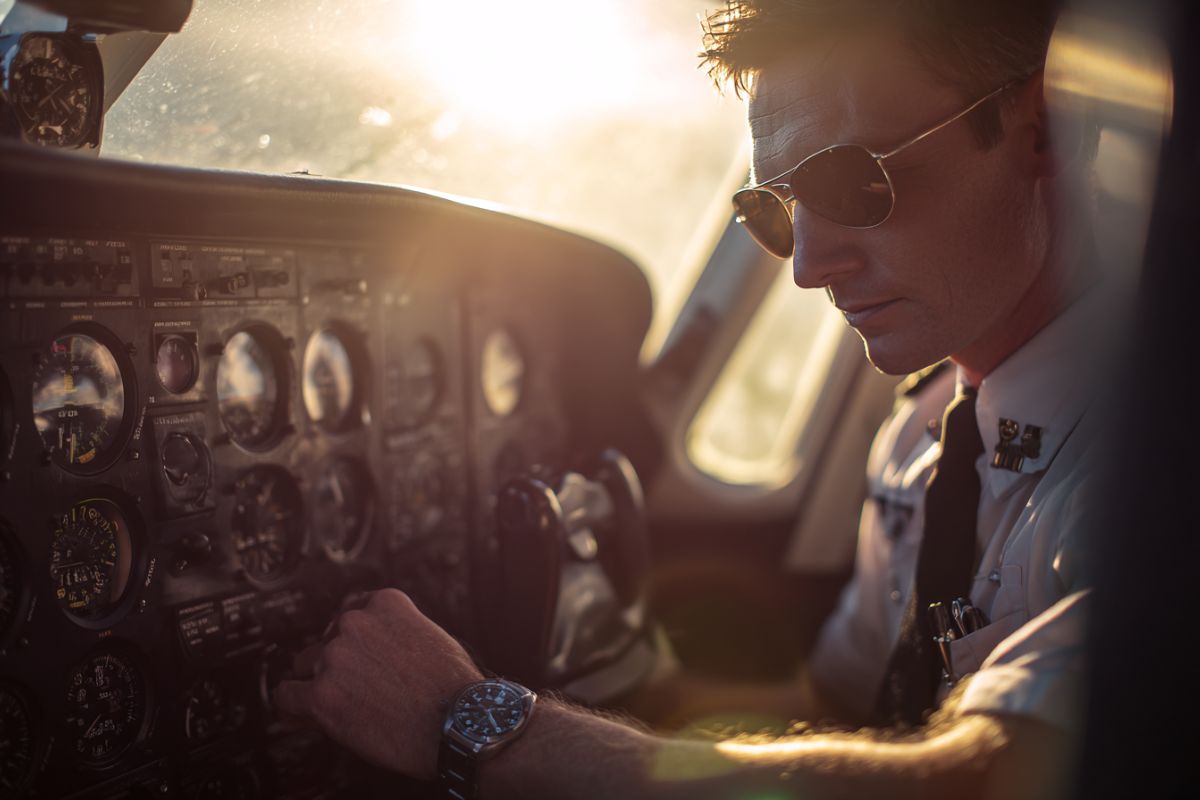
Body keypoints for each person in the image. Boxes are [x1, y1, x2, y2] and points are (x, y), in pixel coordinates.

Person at [276, 2, 1124, 797]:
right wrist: (613, 666)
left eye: (850, 184)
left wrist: (470, 722)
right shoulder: (921, 440)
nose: (807, 266)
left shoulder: (1155, 464)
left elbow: (984, 782)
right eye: (778, 208)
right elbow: (841, 708)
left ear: (1042, 126)